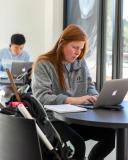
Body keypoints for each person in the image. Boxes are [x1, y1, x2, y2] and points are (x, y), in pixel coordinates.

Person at [31, 24, 115, 160]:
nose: (78, 52)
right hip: (53, 120)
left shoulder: (80, 63)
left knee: (110, 136)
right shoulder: (44, 63)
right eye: (75, 47)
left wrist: (94, 96)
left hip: (77, 118)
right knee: (78, 145)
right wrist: (73, 100)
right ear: (62, 43)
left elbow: (90, 85)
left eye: (81, 49)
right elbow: (42, 97)